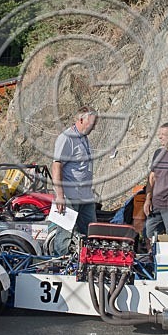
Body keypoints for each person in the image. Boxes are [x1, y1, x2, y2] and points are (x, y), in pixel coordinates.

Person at [51, 106, 99, 255]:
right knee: (65, 234)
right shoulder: (66, 138)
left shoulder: (83, 138)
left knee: (91, 232)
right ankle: (61, 261)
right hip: (70, 196)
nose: (94, 127)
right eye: (91, 123)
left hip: (85, 196)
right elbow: (56, 166)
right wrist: (60, 196)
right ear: (81, 120)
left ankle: (88, 261)